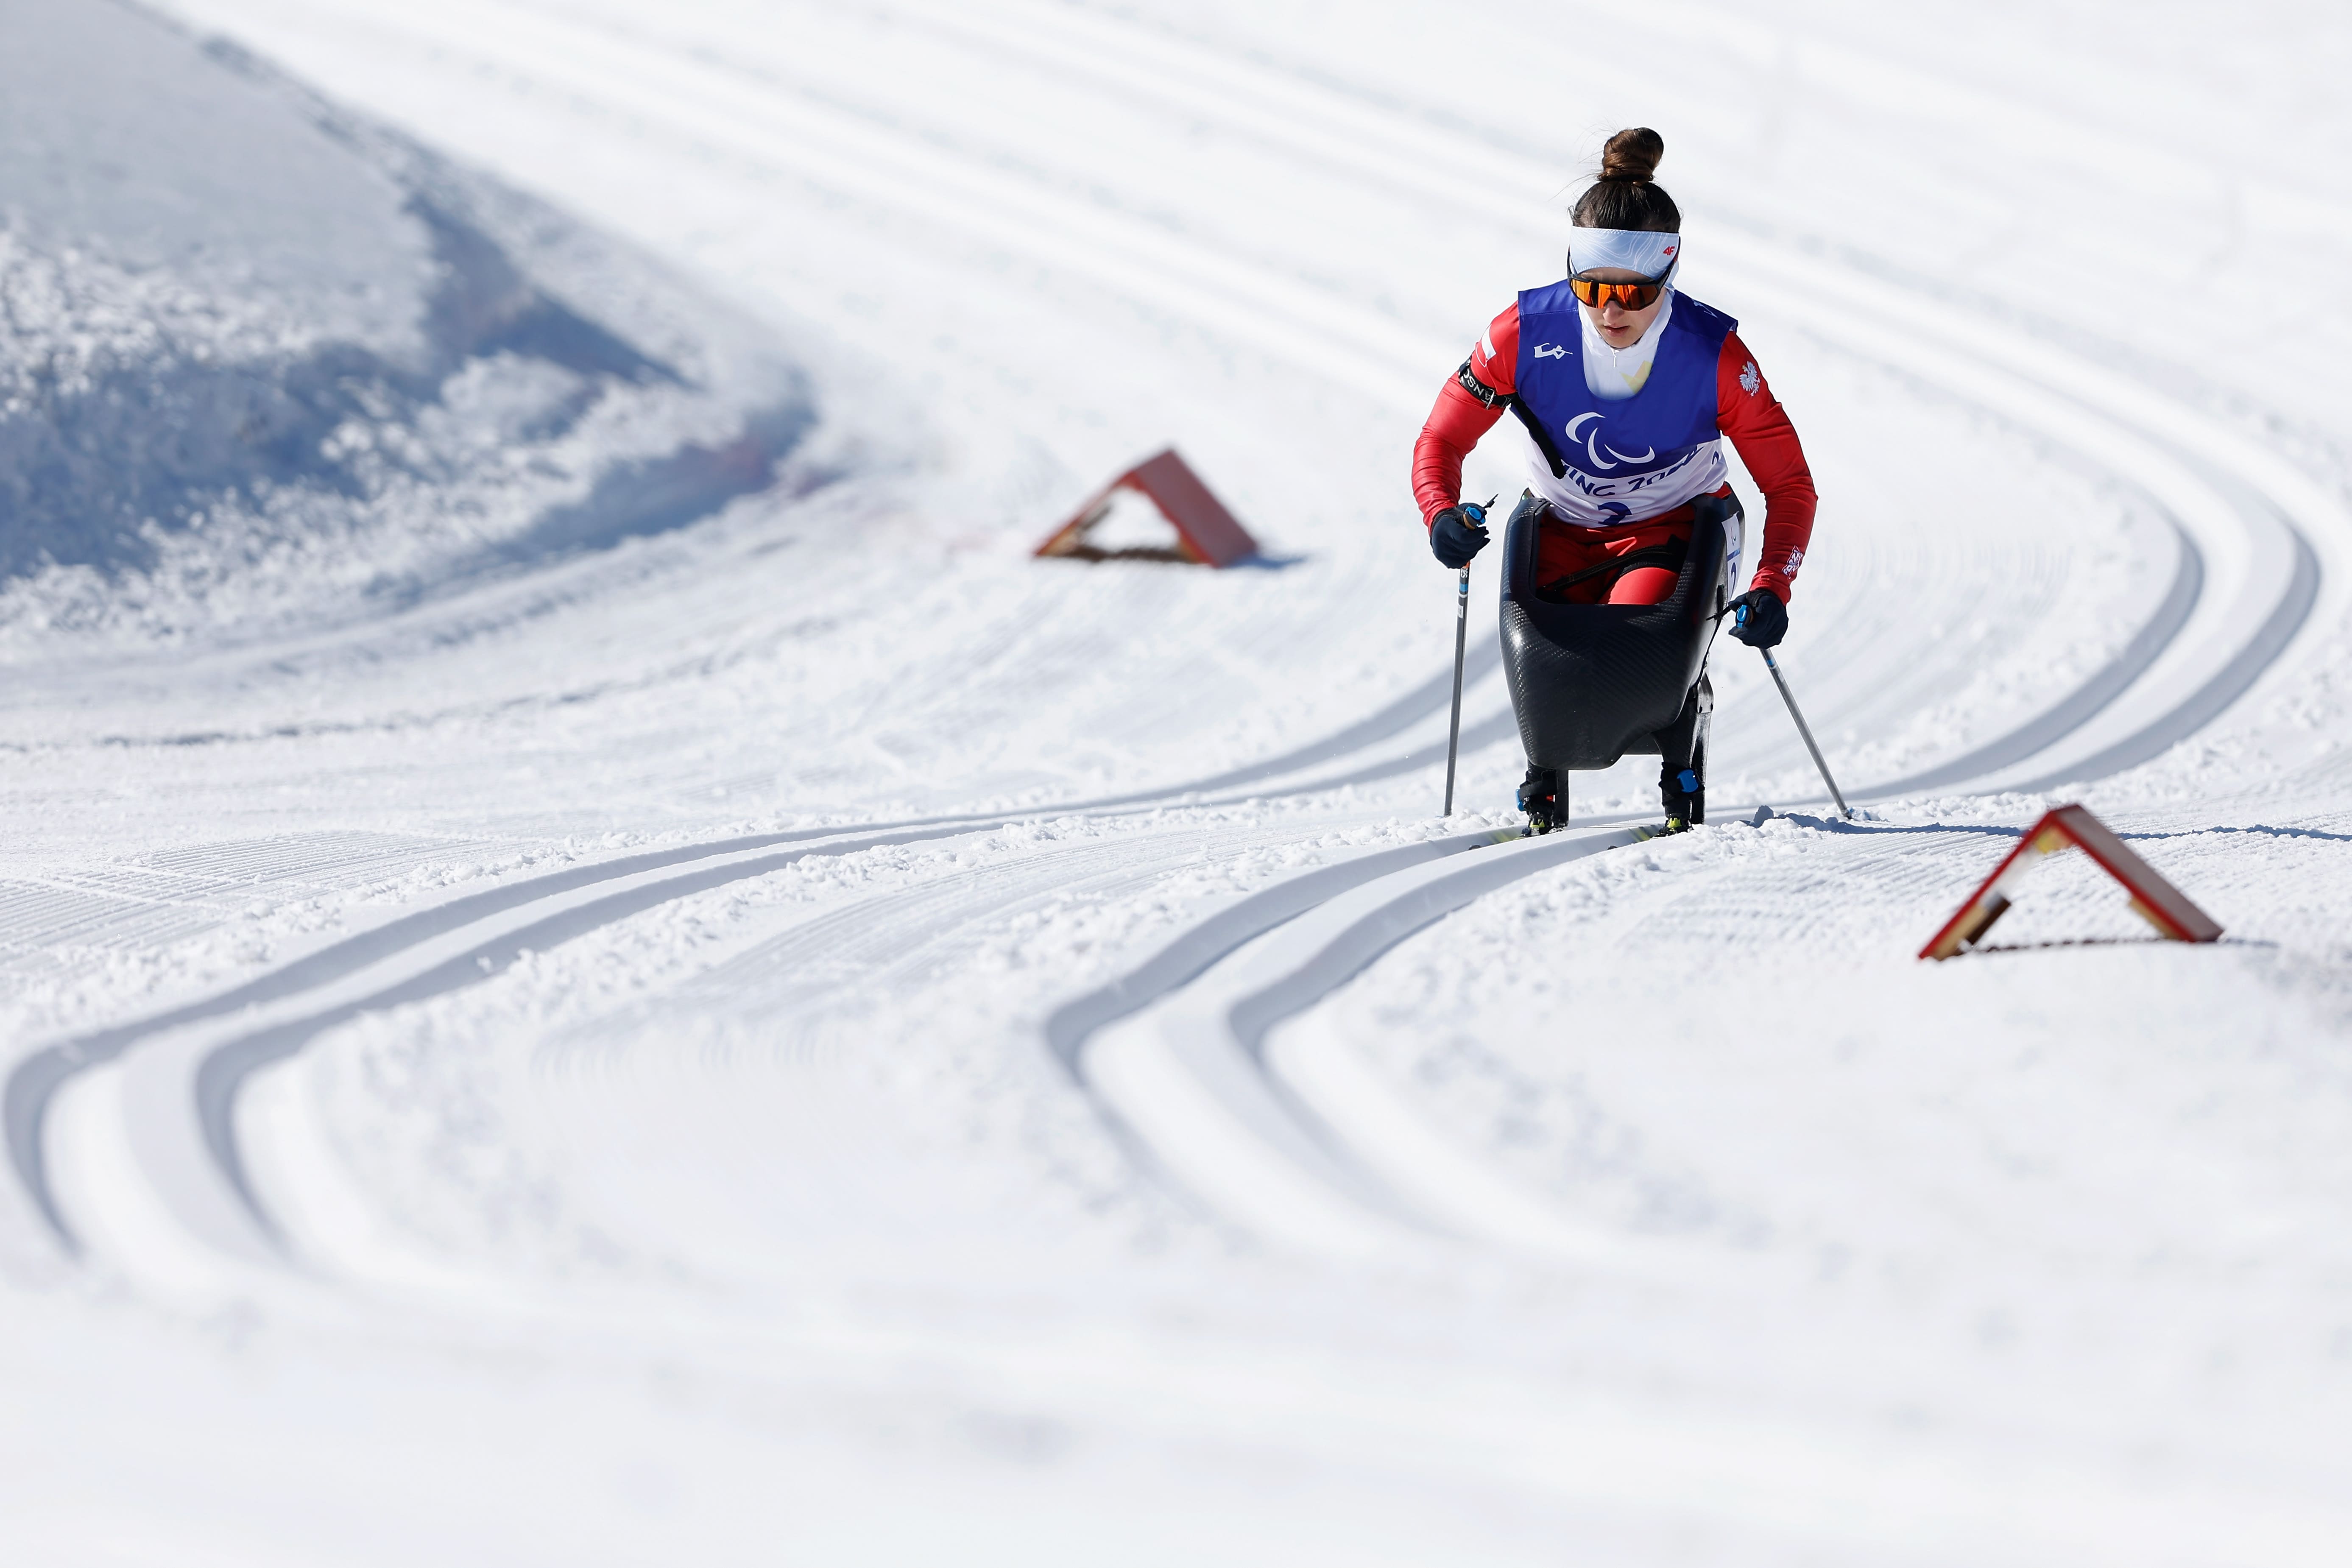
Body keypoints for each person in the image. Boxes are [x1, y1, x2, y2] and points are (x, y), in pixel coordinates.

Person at [1411, 127, 1817, 832]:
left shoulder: (1714, 355)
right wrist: (1441, 513)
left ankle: (1680, 742)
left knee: (1639, 649)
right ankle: (1544, 774)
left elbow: (1790, 485)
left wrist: (1771, 585)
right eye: (1592, 288)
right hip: (1561, 526)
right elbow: (1442, 438)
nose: (1610, 311)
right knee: (1544, 657)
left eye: (1634, 294)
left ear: (1669, 277)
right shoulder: (1520, 334)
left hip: (1673, 528)